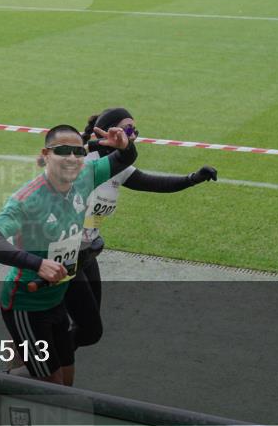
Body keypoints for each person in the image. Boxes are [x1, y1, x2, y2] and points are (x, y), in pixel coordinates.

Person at [0, 123, 135, 385]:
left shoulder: (87, 175)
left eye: (78, 152)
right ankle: (1, 385)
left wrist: (126, 146)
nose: (72, 158)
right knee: (53, 387)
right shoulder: (28, 199)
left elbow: (125, 158)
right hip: (27, 304)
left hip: (57, 299)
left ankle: (17, 374)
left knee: (66, 381)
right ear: (46, 154)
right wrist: (38, 264)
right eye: (63, 151)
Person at [65, 107, 218, 350]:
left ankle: (46, 364)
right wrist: (92, 146)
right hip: (63, 257)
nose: (133, 134)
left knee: (86, 330)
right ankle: (34, 365)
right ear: (109, 130)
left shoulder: (117, 168)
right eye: (127, 129)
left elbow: (154, 183)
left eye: (135, 130)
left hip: (86, 255)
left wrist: (193, 179)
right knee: (81, 328)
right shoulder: (84, 163)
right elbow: (58, 162)